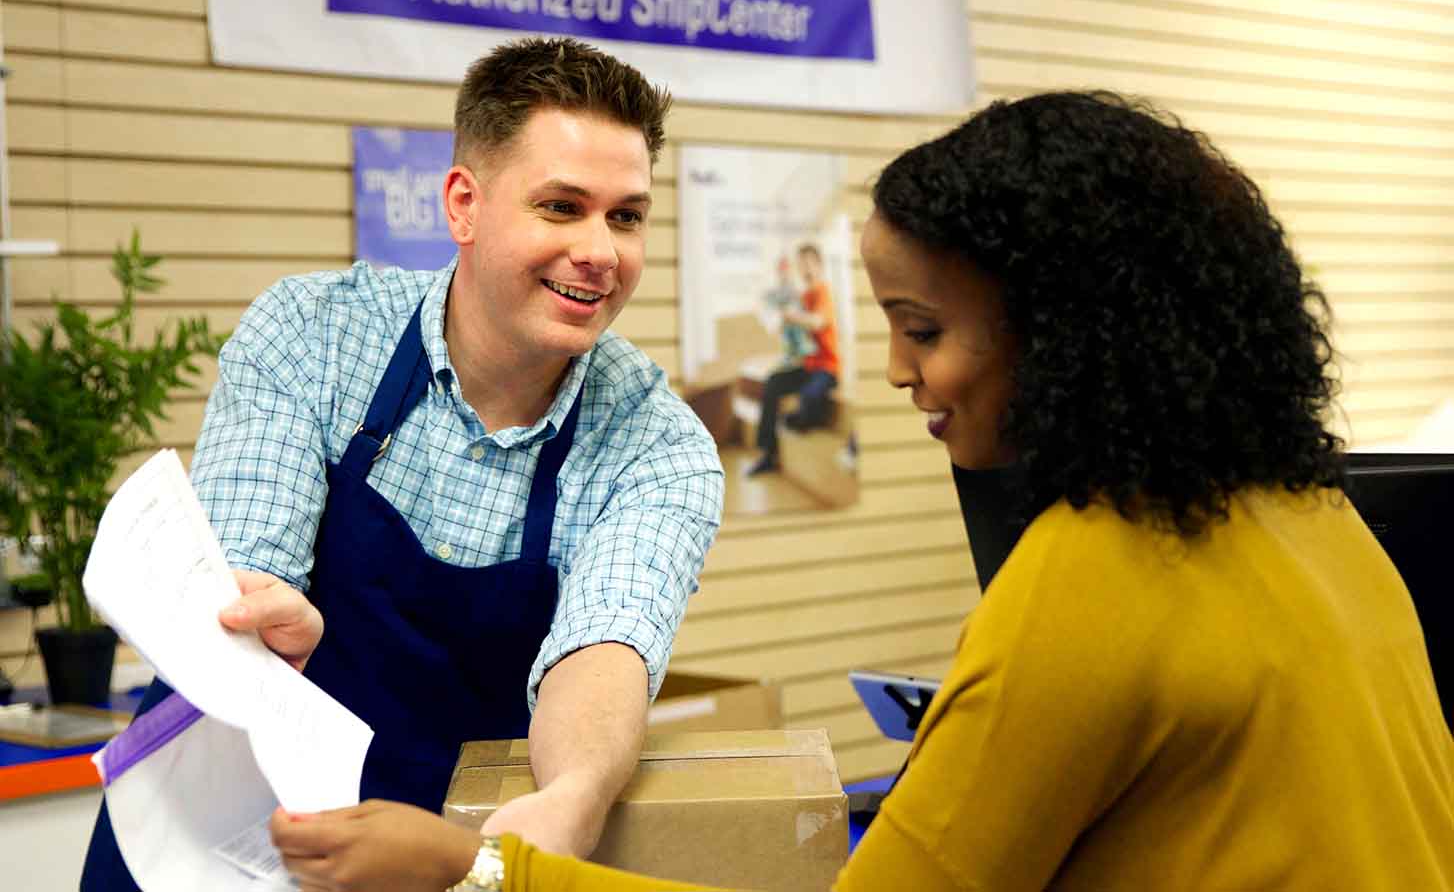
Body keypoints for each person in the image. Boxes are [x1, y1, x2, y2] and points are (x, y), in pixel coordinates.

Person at [273, 91, 1454, 890]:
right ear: (459, 208)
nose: (892, 370)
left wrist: (472, 864)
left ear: (1063, 331)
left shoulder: (1089, 579)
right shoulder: (1316, 517)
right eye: (561, 208)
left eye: (922, 327)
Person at [80, 36, 725, 888]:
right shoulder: (312, 335)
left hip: (442, 851)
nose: (601, 251)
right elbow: (240, 581)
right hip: (212, 834)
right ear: (464, 204)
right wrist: (264, 627)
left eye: (627, 215)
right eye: (562, 207)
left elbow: (603, 647)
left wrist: (574, 794)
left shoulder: (657, 444)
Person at [746, 242, 840, 476]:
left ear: (819, 265)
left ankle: (791, 421)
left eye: (809, 263)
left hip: (826, 369)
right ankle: (767, 454)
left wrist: (791, 316)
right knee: (771, 384)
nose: (805, 269)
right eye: (802, 264)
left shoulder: (823, 291)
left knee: (808, 399)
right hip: (806, 367)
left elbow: (818, 321)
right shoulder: (801, 296)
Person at [761, 254, 817, 366]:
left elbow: (806, 316)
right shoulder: (775, 293)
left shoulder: (799, 290)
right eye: (782, 269)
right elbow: (772, 317)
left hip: (803, 342)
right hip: (788, 342)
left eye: (786, 269)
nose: (784, 273)